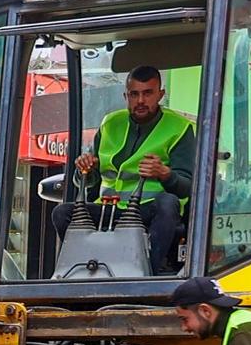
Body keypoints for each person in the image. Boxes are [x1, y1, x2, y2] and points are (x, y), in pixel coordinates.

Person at [51, 65, 197, 275]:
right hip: (109, 209)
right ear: (125, 95)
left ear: (160, 94)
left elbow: (189, 187)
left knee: (168, 203)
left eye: (148, 93)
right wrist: (84, 169)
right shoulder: (110, 124)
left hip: (147, 211)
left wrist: (165, 174)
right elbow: (88, 181)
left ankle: (149, 275)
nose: (140, 101)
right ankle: (84, 268)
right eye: (134, 94)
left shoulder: (179, 128)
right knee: (62, 213)